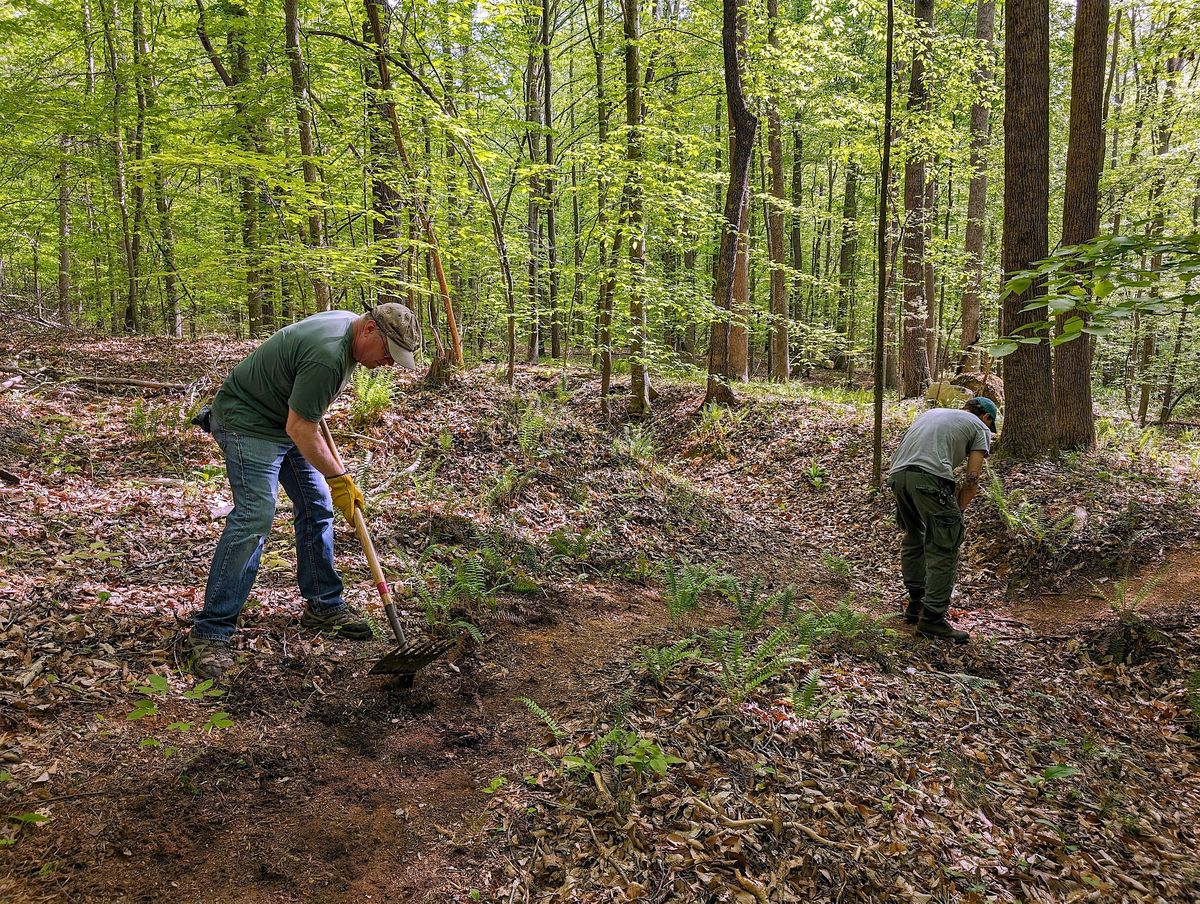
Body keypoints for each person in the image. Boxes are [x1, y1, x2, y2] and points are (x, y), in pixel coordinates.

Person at [186, 304, 423, 679]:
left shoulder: (347, 328)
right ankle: (210, 631)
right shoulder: (329, 356)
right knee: (255, 516)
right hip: (247, 421)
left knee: (317, 504)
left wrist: (333, 479)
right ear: (370, 331)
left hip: (283, 418)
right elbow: (302, 428)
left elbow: (304, 414)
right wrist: (340, 477)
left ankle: (323, 605)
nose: (389, 364)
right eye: (389, 354)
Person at [886, 396, 998, 644]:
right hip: (929, 479)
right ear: (987, 417)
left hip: (898, 477)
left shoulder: (932, 413)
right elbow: (972, 479)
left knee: (915, 536)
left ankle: (915, 605)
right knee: (945, 545)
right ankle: (933, 619)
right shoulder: (980, 427)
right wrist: (956, 513)